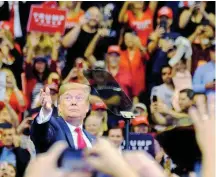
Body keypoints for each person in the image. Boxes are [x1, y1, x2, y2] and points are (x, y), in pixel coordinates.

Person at [30, 82, 95, 153]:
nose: (74, 102)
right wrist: (45, 112)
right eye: (68, 98)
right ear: (59, 107)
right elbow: (39, 135)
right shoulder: (53, 127)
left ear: (87, 107)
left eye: (79, 98)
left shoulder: (94, 140)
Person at [62, 6, 111, 78]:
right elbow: (65, 44)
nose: (94, 18)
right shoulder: (74, 29)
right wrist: (79, 25)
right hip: (71, 73)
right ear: (85, 15)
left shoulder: (101, 35)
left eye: (97, 16)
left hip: (91, 76)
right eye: (91, 15)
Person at [147, 6, 181, 89]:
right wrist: (157, 38)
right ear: (157, 20)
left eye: (166, 18)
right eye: (161, 18)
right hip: (156, 74)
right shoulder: (152, 35)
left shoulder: (176, 36)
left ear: (171, 20)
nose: (163, 21)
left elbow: (179, 54)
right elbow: (150, 50)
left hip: (172, 74)